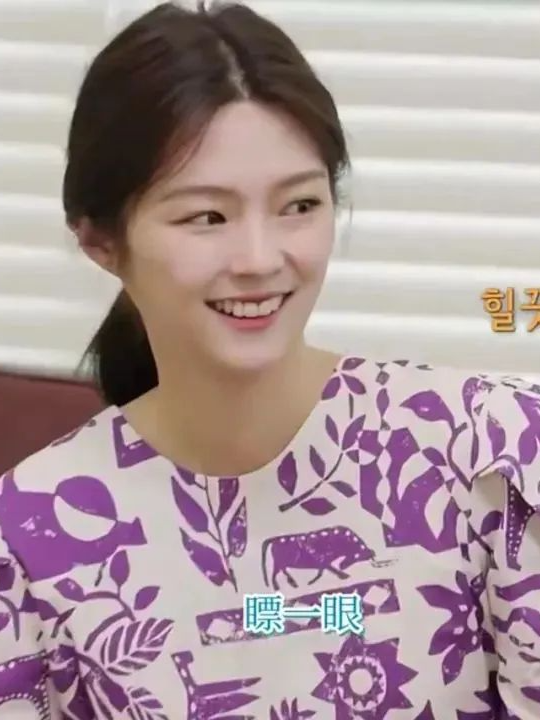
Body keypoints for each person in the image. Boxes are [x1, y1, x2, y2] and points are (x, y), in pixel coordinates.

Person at [0, 1, 538, 717]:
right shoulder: (30, 541)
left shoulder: (495, 450)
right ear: (101, 242)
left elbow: (283, 616)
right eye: (207, 216)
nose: (259, 259)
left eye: (299, 206)